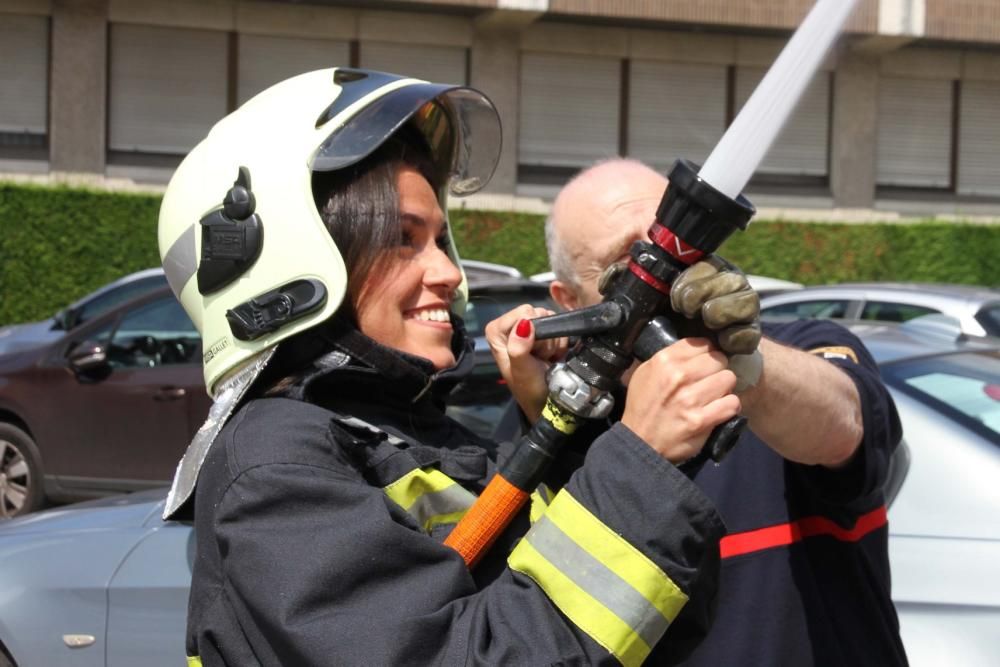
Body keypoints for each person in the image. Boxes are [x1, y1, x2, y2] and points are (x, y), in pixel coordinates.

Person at [157, 70, 745, 666]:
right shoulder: (274, 466)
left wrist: (572, 431)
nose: (450, 274)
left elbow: (653, 627)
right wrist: (636, 463)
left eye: (440, 241)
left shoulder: (416, 439)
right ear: (288, 263)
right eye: (402, 239)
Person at [498, 157, 907, 666]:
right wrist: (548, 418)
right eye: (626, 261)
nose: (657, 276)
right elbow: (530, 623)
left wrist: (739, 362)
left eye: (669, 246)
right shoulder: (561, 425)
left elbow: (845, 426)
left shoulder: (798, 352)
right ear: (568, 299)